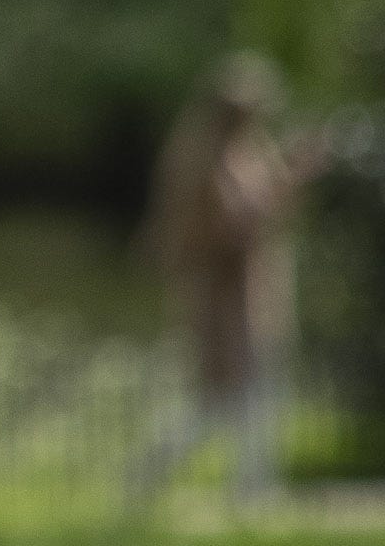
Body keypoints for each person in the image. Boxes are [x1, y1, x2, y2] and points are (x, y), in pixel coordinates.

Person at [128, 56, 312, 506]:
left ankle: (253, 490)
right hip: (223, 297)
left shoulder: (245, 153)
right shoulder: (205, 161)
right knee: (219, 398)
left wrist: (287, 178)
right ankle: (152, 479)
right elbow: (235, 226)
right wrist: (290, 181)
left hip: (249, 293)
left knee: (255, 392)